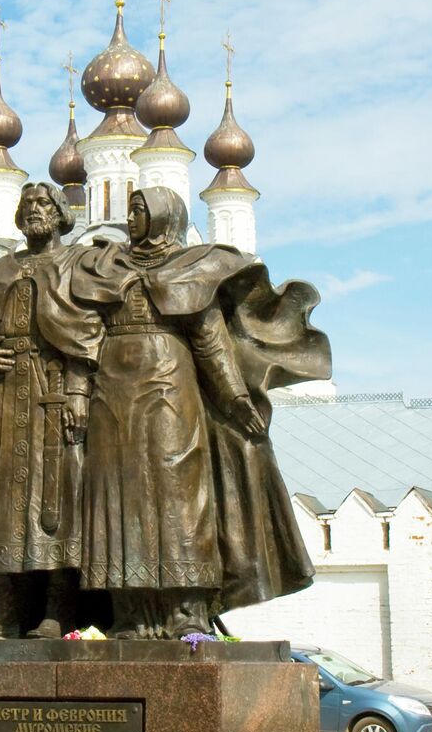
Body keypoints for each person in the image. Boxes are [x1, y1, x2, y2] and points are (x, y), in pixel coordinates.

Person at [69, 186, 329, 638]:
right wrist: (75, 390)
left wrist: (234, 397)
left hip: (171, 393)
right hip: (110, 396)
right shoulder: (104, 267)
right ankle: (130, 612)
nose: (132, 220)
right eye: (130, 212)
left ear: (166, 217)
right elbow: (80, 336)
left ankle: (185, 609)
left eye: (140, 211)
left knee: (179, 496)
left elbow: (210, 341)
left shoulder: (193, 269)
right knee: (115, 496)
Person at [0, 183, 102, 638]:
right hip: (3, 396)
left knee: (59, 504)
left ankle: (59, 613)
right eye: (27, 205)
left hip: (54, 396)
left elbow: (90, 333)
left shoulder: (78, 265)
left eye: (43, 204)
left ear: (60, 214)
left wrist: (78, 392)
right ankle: (3, 612)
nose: (34, 211)